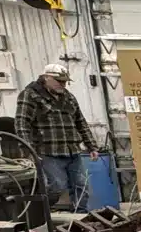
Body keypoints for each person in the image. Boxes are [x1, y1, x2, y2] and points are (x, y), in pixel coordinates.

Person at [15, 62, 99, 211]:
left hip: (72, 150)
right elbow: (22, 124)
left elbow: (81, 122)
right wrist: (29, 151)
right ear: (46, 77)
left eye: (65, 81)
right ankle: (41, 214)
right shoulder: (31, 95)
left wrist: (91, 146)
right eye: (59, 81)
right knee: (56, 187)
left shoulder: (68, 97)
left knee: (82, 186)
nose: (63, 84)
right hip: (49, 152)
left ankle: (80, 217)